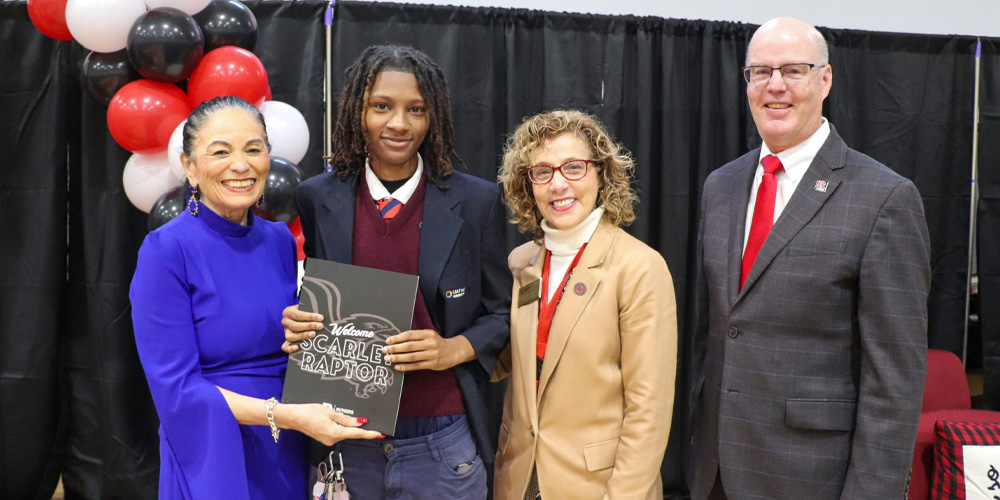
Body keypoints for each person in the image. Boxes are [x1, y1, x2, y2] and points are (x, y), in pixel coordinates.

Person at [687, 18, 932, 500]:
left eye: (793, 70)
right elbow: (712, 335)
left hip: (812, 477)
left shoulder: (884, 198)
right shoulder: (721, 186)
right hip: (715, 471)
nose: (775, 85)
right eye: (760, 72)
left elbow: (894, 381)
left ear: (825, 80)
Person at [281, 45, 511, 499]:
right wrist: (296, 318)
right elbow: (316, 295)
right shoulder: (316, 198)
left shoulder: (477, 201)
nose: (399, 123)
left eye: (416, 110)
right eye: (381, 106)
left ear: (434, 118)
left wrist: (454, 348)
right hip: (342, 435)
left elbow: (502, 314)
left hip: (442, 441)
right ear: (356, 112)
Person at [129, 96, 381, 500]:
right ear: (190, 167)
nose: (241, 165)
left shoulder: (279, 239)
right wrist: (284, 415)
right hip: (214, 451)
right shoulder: (166, 250)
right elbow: (177, 390)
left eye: (253, 149)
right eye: (220, 152)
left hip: (291, 446)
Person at [493, 109, 677, 500]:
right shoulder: (522, 263)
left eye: (573, 168)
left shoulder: (639, 268)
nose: (558, 184)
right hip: (520, 479)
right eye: (542, 172)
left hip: (599, 487)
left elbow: (649, 411)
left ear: (600, 174)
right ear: (529, 185)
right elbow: (504, 362)